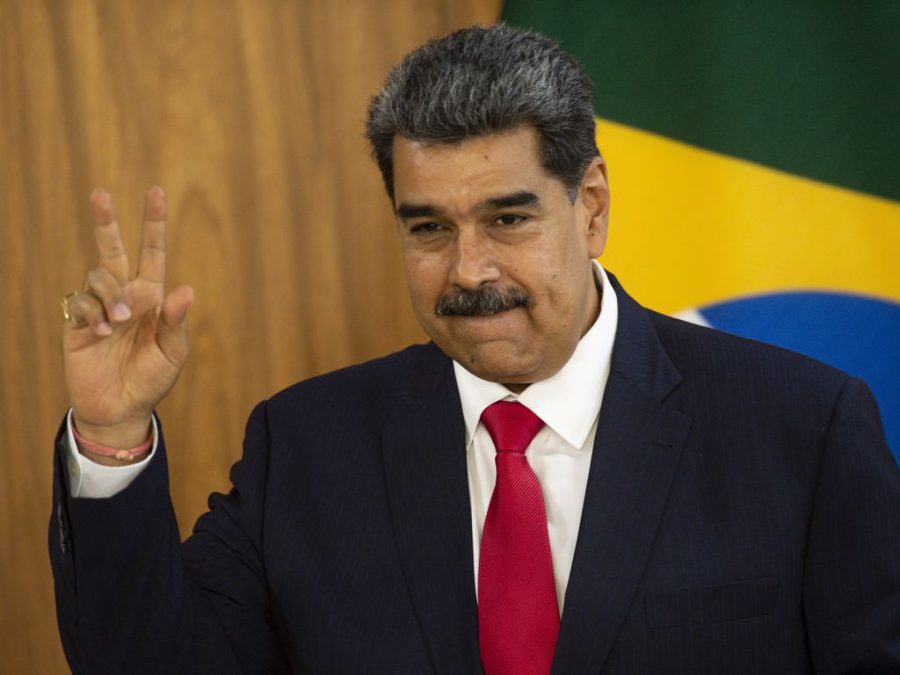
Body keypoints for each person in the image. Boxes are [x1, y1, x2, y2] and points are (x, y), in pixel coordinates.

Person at [51, 24, 900, 674]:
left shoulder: (803, 429)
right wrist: (112, 433)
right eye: (428, 228)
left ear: (592, 206)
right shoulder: (305, 446)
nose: (469, 270)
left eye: (508, 218)